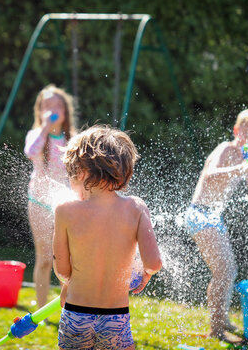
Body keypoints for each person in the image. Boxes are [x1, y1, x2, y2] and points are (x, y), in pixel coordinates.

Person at [53, 125, 162, 350]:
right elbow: (154, 263)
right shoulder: (136, 208)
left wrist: (69, 284)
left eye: (70, 176)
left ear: (81, 172)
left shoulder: (65, 210)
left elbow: (63, 271)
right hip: (116, 316)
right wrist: (145, 274)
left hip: (76, 314)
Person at [185, 107, 248, 343]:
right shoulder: (226, 149)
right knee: (223, 271)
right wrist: (239, 168)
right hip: (200, 215)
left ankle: (221, 319)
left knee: (229, 270)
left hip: (214, 217)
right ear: (236, 131)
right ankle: (216, 329)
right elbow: (210, 174)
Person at [24, 84, 77, 308]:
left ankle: (72, 307)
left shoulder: (72, 139)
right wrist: (45, 128)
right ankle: (40, 308)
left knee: (70, 260)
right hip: (38, 203)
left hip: (64, 205)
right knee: (45, 258)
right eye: (48, 106)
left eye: (58, 105)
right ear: (40, 111)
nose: (53, 109)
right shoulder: (36, 135)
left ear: (65, 111)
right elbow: (30, 152)